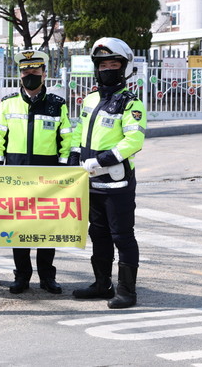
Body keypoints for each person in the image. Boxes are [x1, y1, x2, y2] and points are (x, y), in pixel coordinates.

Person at [70, 37, 146, 309]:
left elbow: (133, 141)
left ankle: (127, 291)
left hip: (117, 184)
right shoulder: (90, 99)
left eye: (114, 65)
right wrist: (73, 157)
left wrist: (101, 160)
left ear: (125, 68)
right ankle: (102, 284)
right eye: (103, 65)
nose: (108, 69)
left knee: (122, 237)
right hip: (91, 182)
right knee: (98, 235)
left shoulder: (131, 104)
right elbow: (79, 132)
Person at [0, 50, 72, 295]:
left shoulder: (57, 104)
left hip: (48, 173)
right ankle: (22, 276)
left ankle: (47, 277)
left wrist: (64, 168)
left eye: (35, 71)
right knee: (19, 227)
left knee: (46, 228)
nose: (30, 75)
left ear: (44, 73)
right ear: (20, 75)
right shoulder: (7, 103)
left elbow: (66, 139)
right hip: (16, 172)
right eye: (25, 71)